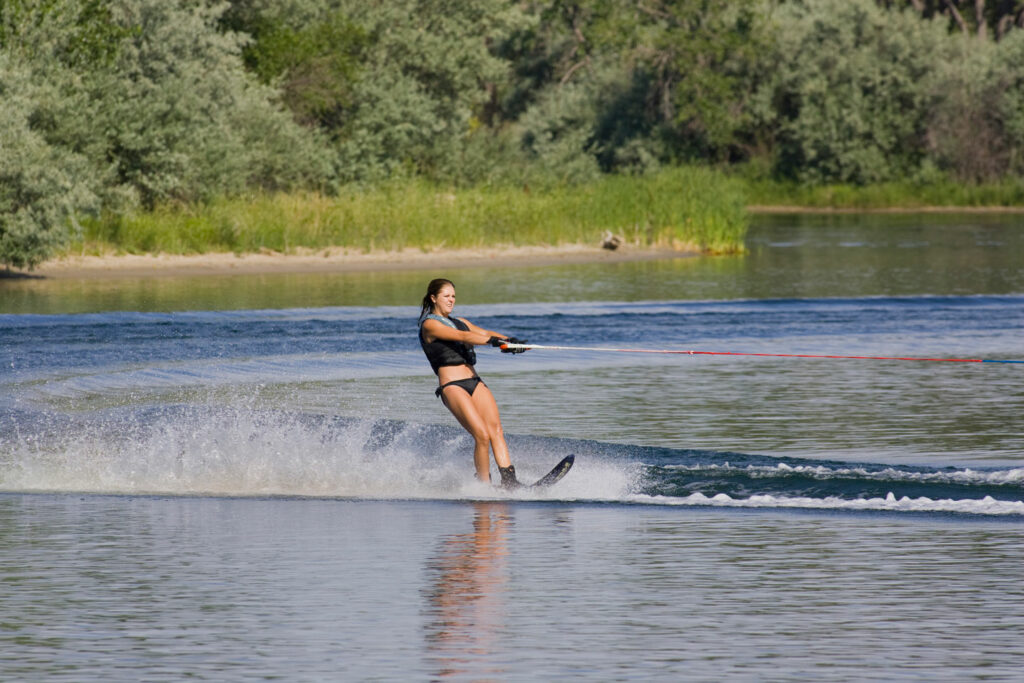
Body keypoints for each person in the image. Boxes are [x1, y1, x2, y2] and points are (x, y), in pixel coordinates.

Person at [418, 278, 529, 487]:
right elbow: (462, 336)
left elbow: (484, 333)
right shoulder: (430, 325)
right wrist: (494, 343)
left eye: (453, 296)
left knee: (496, 431)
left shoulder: (461, 320)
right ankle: (484, 486)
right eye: (446, 296)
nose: (451, 300)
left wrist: (514, 342)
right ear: (434, 298)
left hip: (474, 381)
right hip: (452, 386)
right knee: (481, 434)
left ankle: (510, 482)